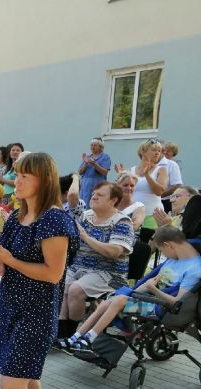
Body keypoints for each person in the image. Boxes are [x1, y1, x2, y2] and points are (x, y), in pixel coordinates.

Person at [0, 152, 78, 389]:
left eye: (26, 175)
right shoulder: (17, 216)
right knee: (28, 379)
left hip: (37, 312)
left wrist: (9, 260)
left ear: (44, 180)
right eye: (17, 174)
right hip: (12, 305)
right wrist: (0, 261)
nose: (17, 180)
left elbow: (53, 274)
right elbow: (14, 258)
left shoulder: (54, 220)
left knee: (12, 385)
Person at [68, 226, 201, 355]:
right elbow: (149, 284)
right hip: (149, 299)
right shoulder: (174, 260)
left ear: (168, 245)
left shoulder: (194, 269)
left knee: (119, 300)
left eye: (162, 250)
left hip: (162, 309)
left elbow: (177, 303)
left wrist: (152, 289)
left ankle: (89, 339)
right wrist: (131, 292)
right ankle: (76, 337)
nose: (164, 254)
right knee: (110, 300)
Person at [57, 182, 135, 343]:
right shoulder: (85, 216)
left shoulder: (122, 221)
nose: (94, 196)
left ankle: (72, 333)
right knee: (61, 284)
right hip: (79, 267)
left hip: (109, 273)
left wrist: (86, 237)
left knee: (75, 290)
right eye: (94, 193)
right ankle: (60, 331)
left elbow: (115, 252)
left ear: (113, 200)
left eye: (100, 194)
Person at [116, 139, 169, 243]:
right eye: (154, 150)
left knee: (147, 246)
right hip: (132, 213)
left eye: (159, 150)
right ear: (142, 152)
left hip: (153, 215)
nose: (157, 153)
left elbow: (159, 191)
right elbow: (122, 192)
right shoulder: (131, 170)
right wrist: (121, 178)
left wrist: (147, 175)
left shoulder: (161, 170)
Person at [77, 137, 111, 205]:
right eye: (91, 145)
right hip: (85, 186)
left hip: (98, 184)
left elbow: (105, 172)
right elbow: (80, 172)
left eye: (95, 145)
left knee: (97, 203)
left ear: (100, 147)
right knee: (84, 204)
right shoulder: (88, 157)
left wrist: (94, 164)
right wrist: (86, 164)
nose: (92, 147)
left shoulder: (105, 157)